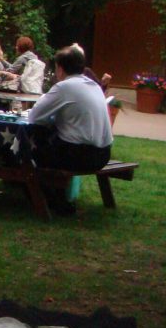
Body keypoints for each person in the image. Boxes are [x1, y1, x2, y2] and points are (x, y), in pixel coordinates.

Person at [28, 44, 113, 213]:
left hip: (79, 156)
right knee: (54, 140)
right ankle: (57, 197)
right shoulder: (94, 85)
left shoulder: (64, 87)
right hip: (103, 154)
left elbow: (34, 116)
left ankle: (48, 198)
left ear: (59, 69)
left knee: (32, 145)